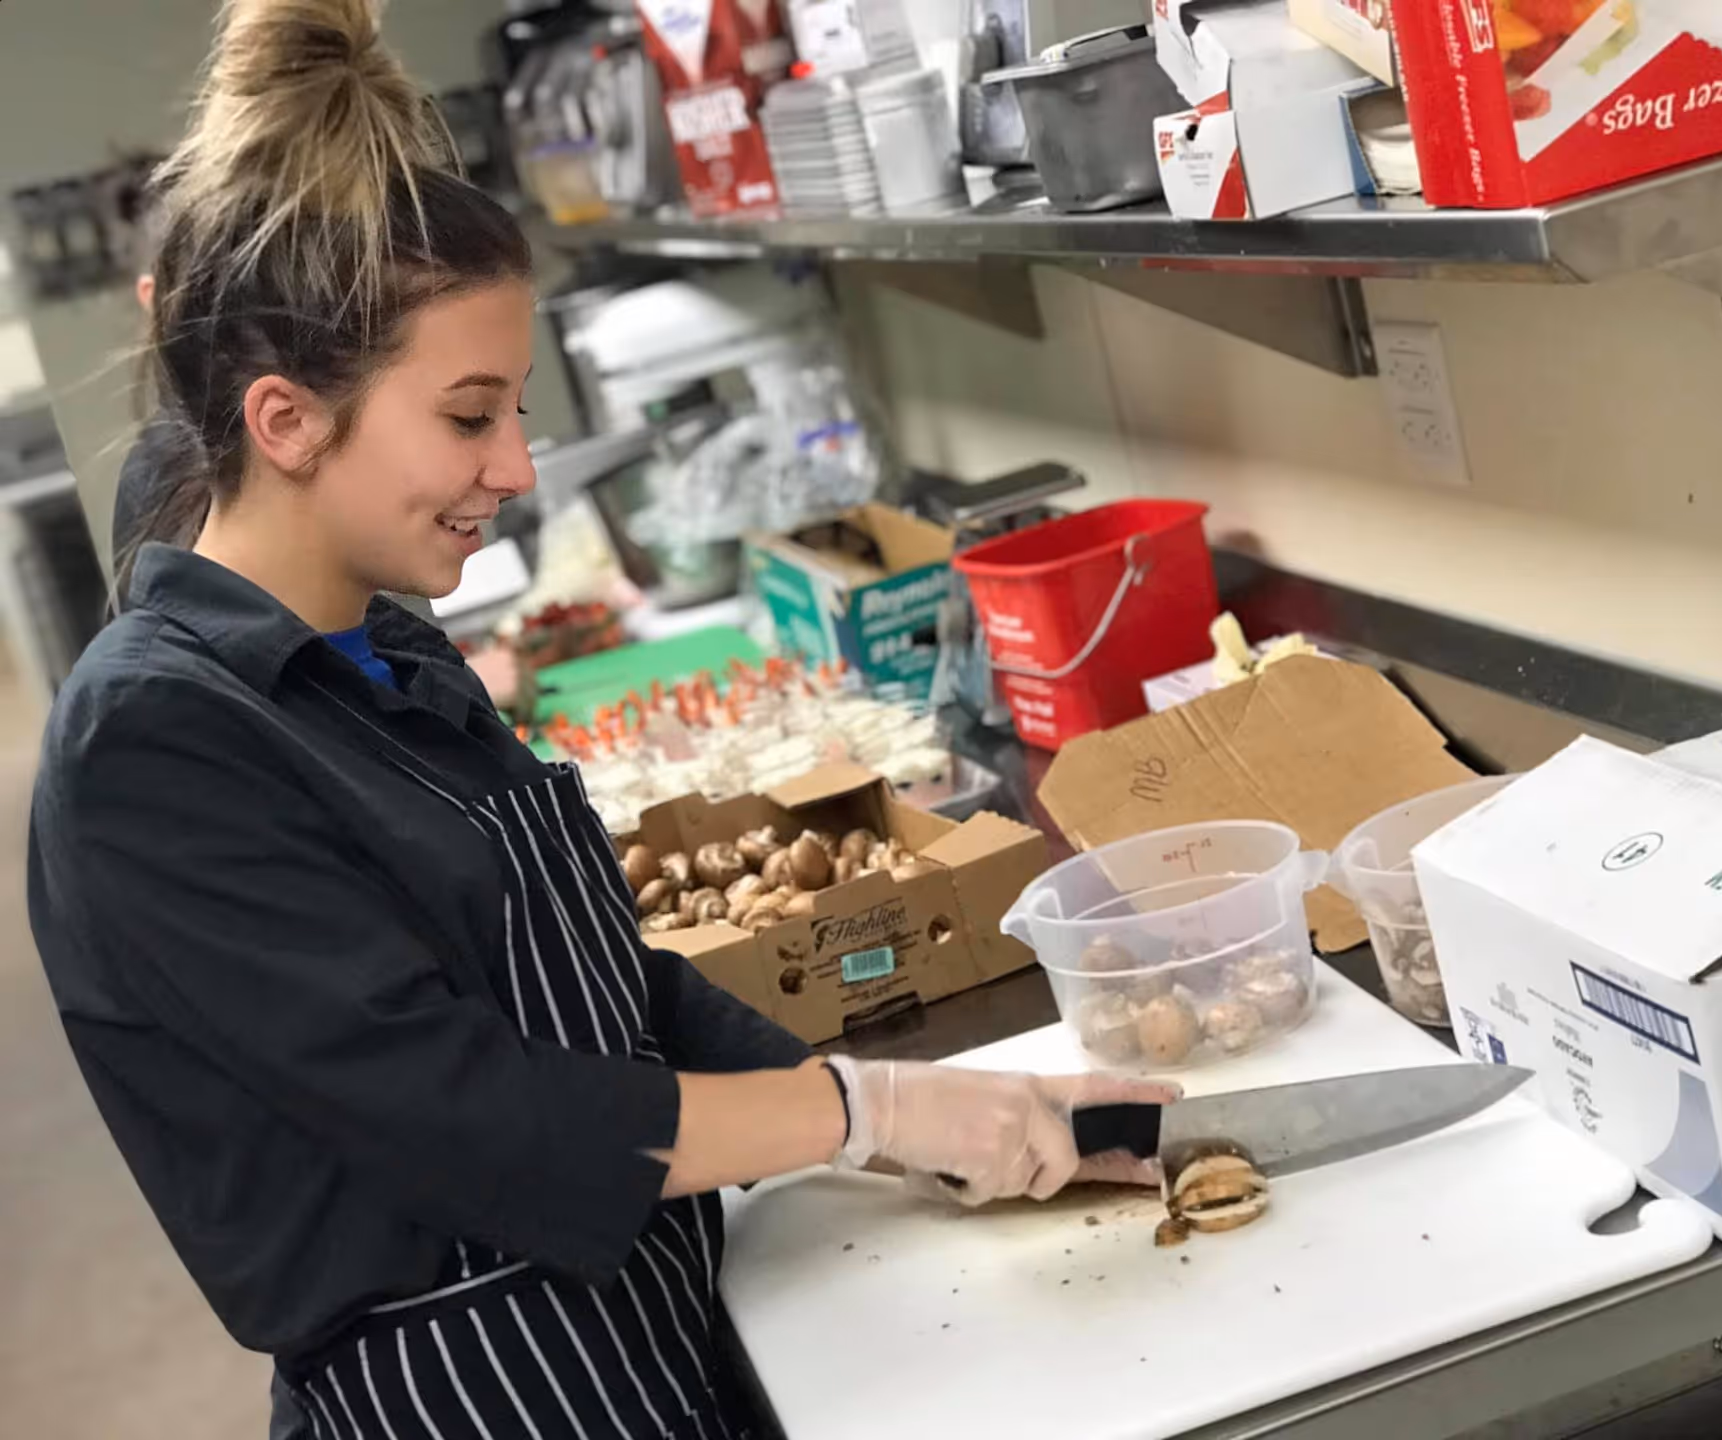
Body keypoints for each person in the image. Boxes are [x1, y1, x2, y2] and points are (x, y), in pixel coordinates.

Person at [26, 4, 1174, 1437]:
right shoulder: (155, 748)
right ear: (284, 419)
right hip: (477, 1394)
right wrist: (865, 1119)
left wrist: (883, 1104)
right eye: (467, 416)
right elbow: (471, 1116)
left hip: (658, 1325)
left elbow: (611, 994)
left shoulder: (386, 645)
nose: (514, 463)